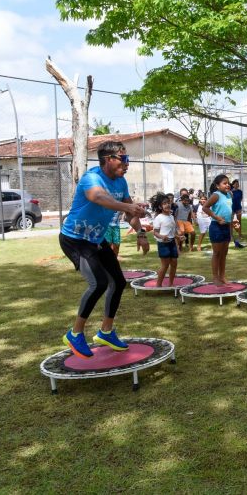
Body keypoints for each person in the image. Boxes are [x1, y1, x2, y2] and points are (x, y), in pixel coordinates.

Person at [59, 141, 147, 359]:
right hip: (75, 240)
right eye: (124, 159)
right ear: (109, 159)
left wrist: (141, 232)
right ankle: (75, 334)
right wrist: (128, 207)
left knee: (118, 282)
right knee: (98, 283)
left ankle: (106, 331)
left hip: (96, 239)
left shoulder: (121, 182)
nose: (127, 164)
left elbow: (130, 214)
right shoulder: (92, 178)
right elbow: (98, 197)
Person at [202, 174, 234, 286]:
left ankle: (222, 276)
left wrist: (232, 225)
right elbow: (205, 207)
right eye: (224, 183)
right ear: (217, 185)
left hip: (226, 227)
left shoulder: (230, 194)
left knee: (224, 253)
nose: (227, 185)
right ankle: (215, 277)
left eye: (228, 183)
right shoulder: (216, 195)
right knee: (217, 253)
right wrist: (217, 218)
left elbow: (230, 211)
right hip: (216, 227)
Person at [150, 192, 183, 287]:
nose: (167, 205)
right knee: (165, 265)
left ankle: (171, 284)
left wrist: (178, 237)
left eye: (168, 202)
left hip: (172, 242)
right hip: (163, 244)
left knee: (174, 263)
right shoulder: (159, 218)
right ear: (160, 207)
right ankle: (158, 285)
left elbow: (172, 232)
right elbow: (155, 232)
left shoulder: (171, 216)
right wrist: (162, 237)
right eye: (164, 203)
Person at [230, 179, 246, 248]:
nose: (237, 185)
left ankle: (240, 234)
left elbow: (241, 199)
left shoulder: (240, 191)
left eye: (237, 183)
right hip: (232, 207)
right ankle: (231, 235)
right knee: (230, 222)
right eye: (235, 184)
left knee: (239, 221)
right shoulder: (230, 192)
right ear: (233, 185)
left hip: (238, 207)